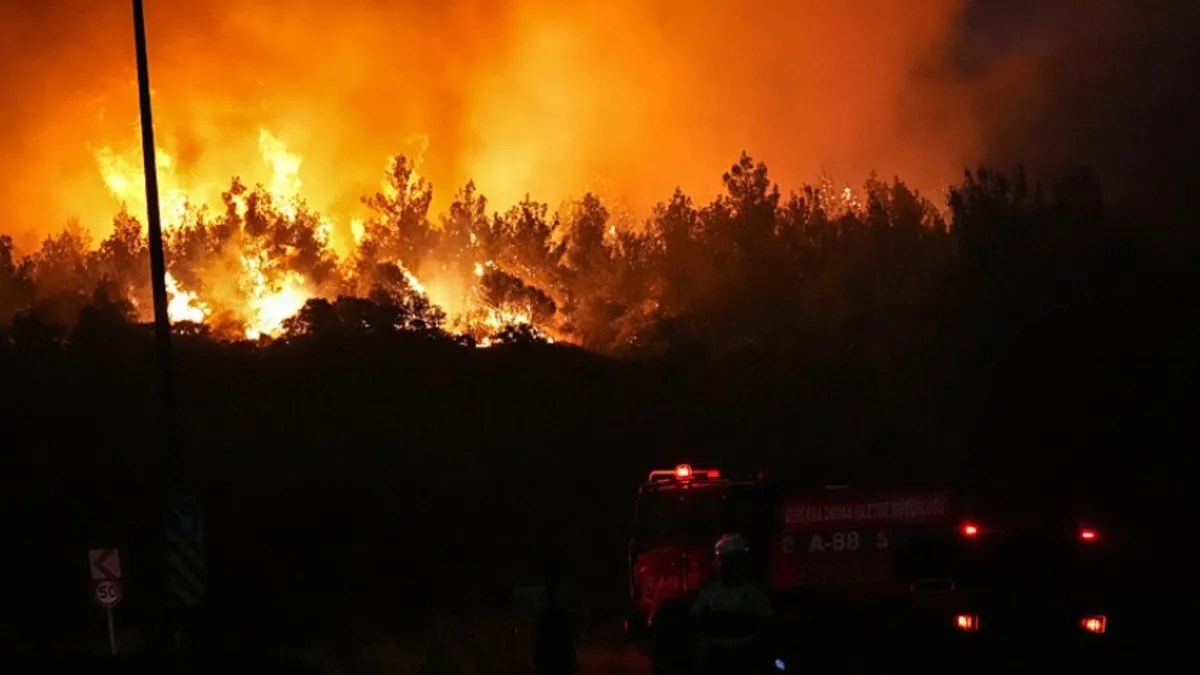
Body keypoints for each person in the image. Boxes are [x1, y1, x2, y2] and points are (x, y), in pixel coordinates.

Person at [689, 533, 773, 674]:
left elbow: (767, 622)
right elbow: (695, 621)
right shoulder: (709, 591)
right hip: (717, 656)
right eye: (728, 561)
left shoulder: (752, 592)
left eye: (734, 561)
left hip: (746, 655)